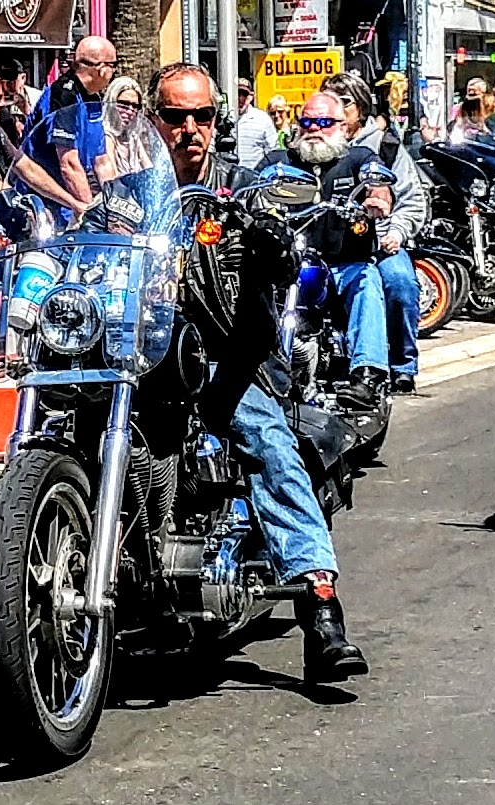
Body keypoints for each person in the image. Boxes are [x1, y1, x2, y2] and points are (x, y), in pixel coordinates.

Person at [148, 64, 369, 680]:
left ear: (217, 120)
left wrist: (273, 226)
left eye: (202, 116)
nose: (189, 129)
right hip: (142, 359)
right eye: (174, 116)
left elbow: (285, 241)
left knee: (270, 448)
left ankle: (321, 610)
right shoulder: (129, 195)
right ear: (153, 121)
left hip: (224, 362)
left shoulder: (244, 187)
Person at [257, 92, 393, 410]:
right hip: (287, 264)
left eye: (324, 122)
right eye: (307, 122)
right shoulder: (279, 162)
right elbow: (248, 184)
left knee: (367, 281)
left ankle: (368, 375)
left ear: (343, 126)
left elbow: (378, 184)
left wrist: (377, 201)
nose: (314, 128)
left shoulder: (357, 158)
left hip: (343, 265)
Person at [322, 71, 428, 395]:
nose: (336, 110)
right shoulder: (317, 142)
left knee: (399, 284)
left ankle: (401, 365)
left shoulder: (385, 147)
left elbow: (412, 200)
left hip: (378, 242)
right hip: (332, 243)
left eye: (345, 103)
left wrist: (394, 231)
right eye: (331, 103)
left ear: (361, 109)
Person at [24, 35, 117, 206]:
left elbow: (101, 161)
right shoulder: (63, 96)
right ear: (102, 68)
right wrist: (89, 210)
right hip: (47, 199)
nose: (114, 73)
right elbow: (68, 162)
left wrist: (115, 203)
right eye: (114, 65)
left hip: (73, 197)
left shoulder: (93, 98)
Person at [103, 75, 151, 176]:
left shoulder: (133, 137)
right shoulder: (105, 137)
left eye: (135, 106)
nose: (130, 111)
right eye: (123, 104)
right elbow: (112, 177)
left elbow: (149, 169)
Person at [234, 77, 278, 169]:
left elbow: (273, 153)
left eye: (244, 94)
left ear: (251, 96)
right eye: (237, 93)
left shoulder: (262, 119)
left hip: (254, 178)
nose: (240, 98)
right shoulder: (221, 119)